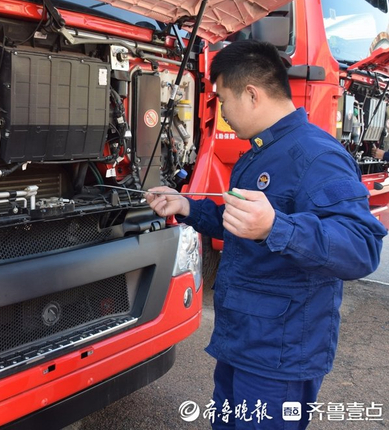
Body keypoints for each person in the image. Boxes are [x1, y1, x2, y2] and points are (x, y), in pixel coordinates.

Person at [146, 40, 386, 429]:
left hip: (280, 356)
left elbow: (361, 247)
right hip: (242, 341)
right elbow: (240, 223)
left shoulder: (317, 156)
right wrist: (186, 206)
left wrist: (277, 227)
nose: (222, 112)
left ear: (252, 94)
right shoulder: (259, 152)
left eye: (223, 100)